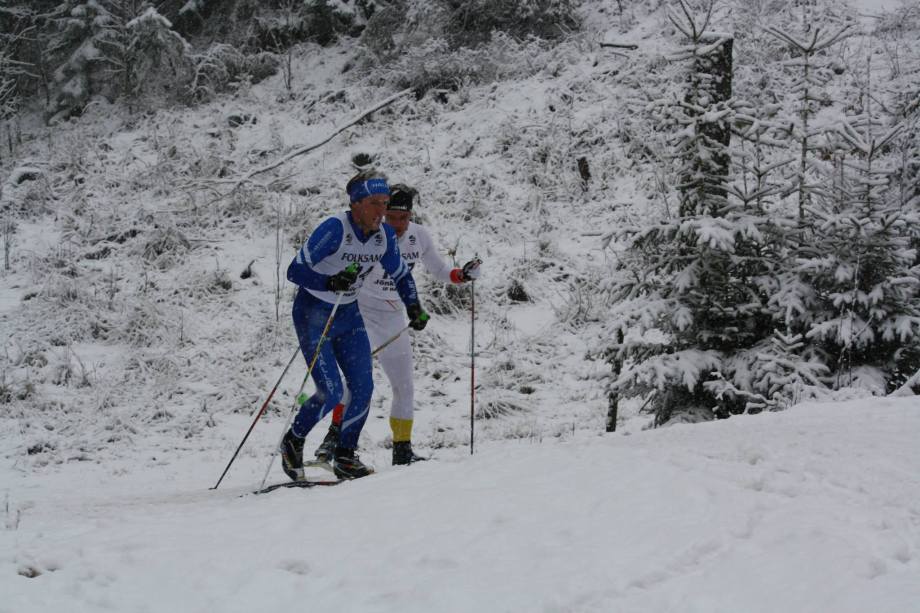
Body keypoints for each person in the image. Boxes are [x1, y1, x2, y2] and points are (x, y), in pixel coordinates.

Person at [313, 183, 481, 466]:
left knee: (404, 386)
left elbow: (439, 270)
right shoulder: (370, 235)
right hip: (361, 312)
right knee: (357, 380)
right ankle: (332, 442)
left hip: (393, 316)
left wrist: (462, 275)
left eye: (403, 218)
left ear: (411, 216)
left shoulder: (420, 237)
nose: (398, 225)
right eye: (391, 217)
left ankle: (402, 450)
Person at [281, 170, 430, 480]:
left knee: (363, 386)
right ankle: (293, 440)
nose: (382, 211)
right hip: (314, 313)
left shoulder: (383, 236)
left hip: (348, 315)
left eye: (385, 203)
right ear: (356, 204)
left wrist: (413, 306)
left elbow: (401, 274)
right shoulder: (335, 229)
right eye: (375, 203)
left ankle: (345, 456)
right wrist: (330, 280)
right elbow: (294, 270)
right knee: (331, 391)